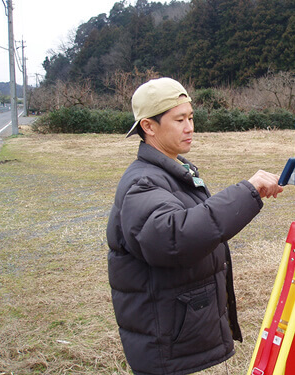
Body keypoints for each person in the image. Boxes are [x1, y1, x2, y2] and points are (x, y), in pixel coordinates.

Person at [106, 77, 283, 375]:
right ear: (149, 127)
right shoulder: (142, 182)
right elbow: (174, 238)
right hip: (166, 342)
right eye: (179, 120)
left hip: (178, 332)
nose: (190, 127)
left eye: (190, 117)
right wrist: (246, 192)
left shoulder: (174, 170)